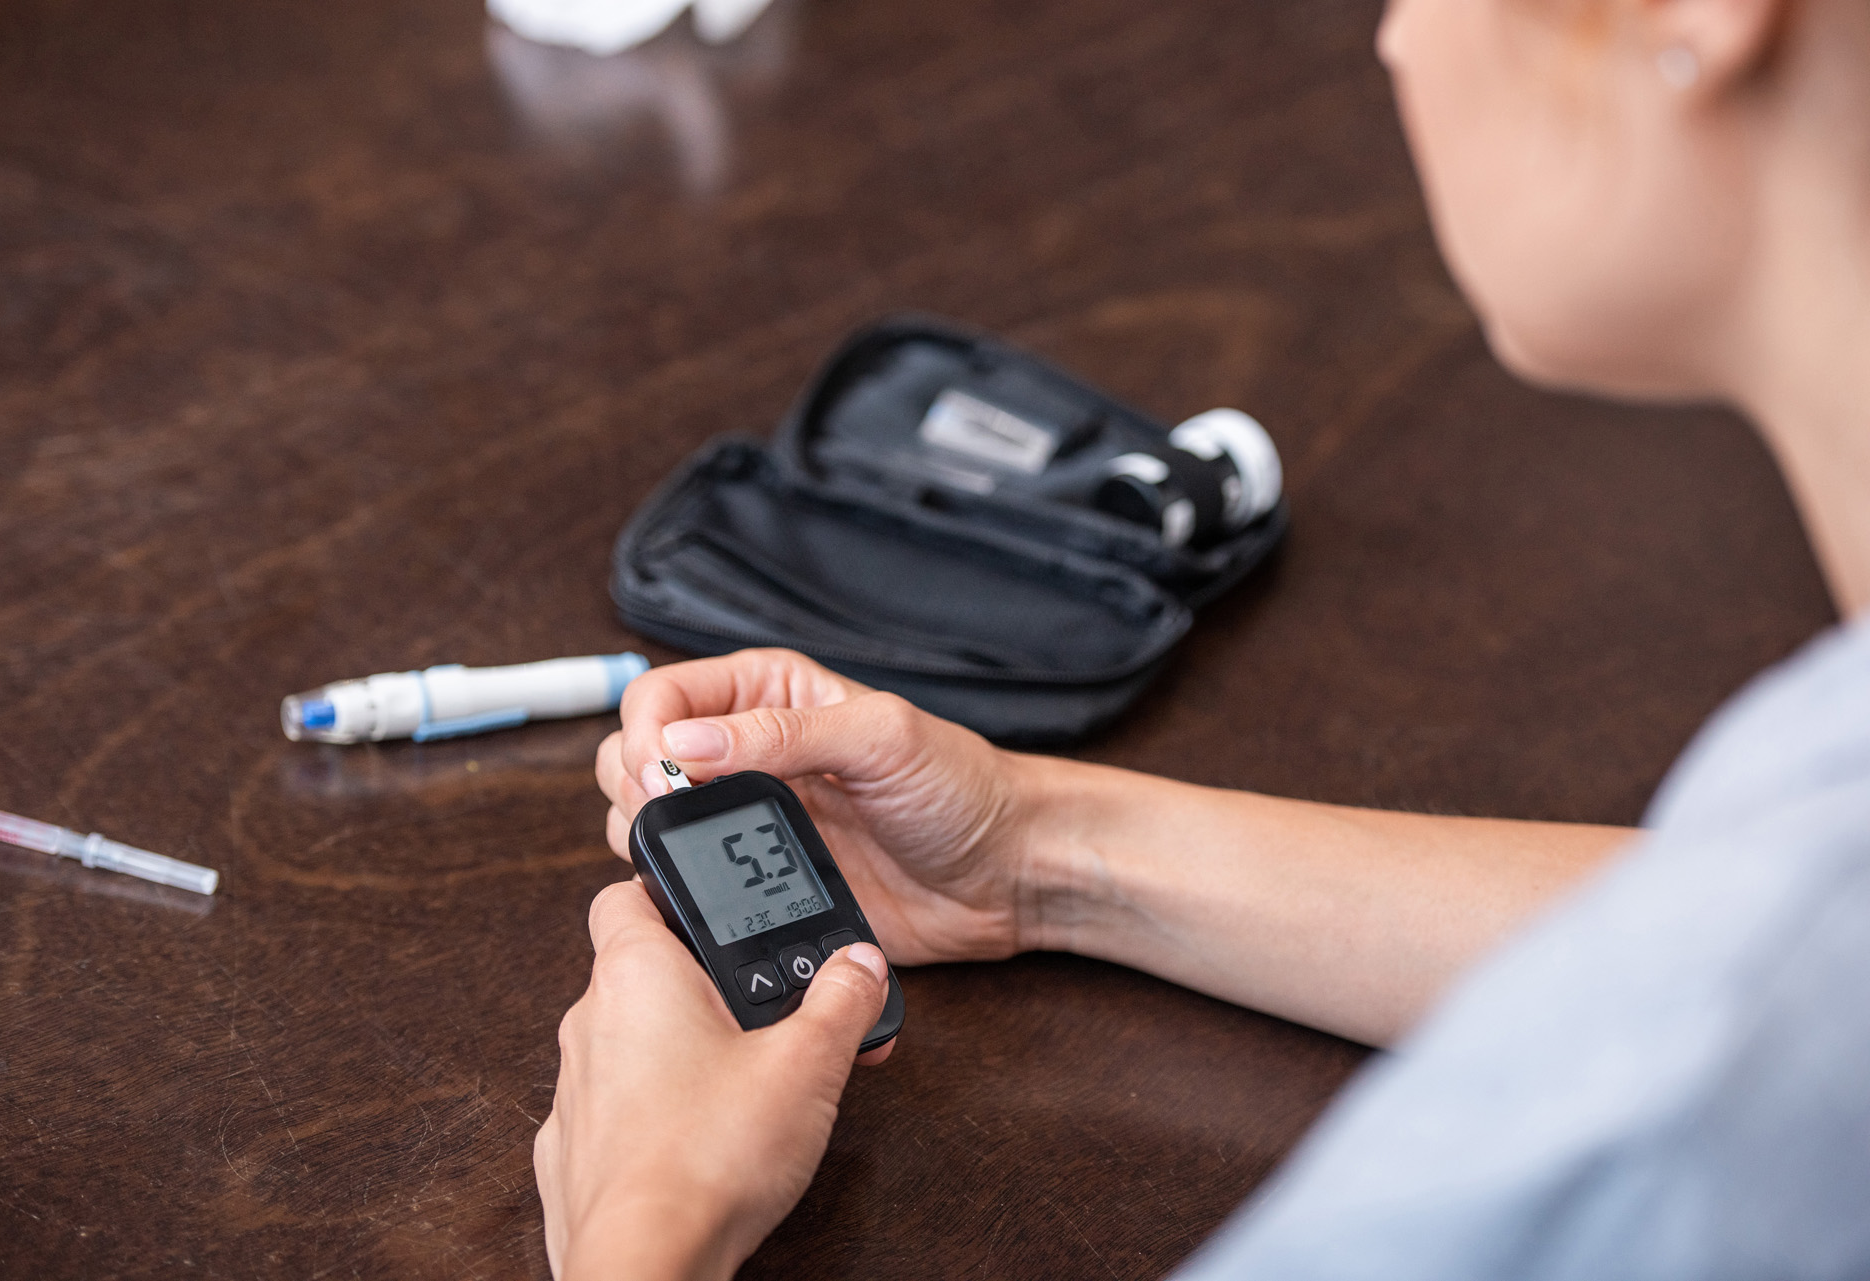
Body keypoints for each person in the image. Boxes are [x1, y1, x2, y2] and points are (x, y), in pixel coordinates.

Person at [533, 0, 1870, 1273]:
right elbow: (1733, 912)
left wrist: (647, 1221)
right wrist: (1035, 849)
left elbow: (1741, 981)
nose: (1397, 37)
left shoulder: (1665, 1138)